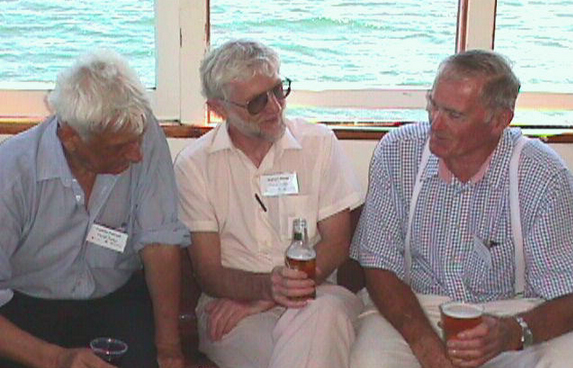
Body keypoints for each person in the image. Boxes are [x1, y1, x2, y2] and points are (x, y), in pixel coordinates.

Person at [349, 49, 573, 368]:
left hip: (511, 312)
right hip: (414, 307)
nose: (435, 124)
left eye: (454, 115)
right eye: (433, 105)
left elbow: (566, 293)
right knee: (371, 362)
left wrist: (512, 332)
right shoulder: (397, 152)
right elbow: (378, 265)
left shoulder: (542, 174)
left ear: (499, 121)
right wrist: (425, 344)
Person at [174, 39, 364, 368]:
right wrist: (264, 290)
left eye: (278, 90)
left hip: (317, 296)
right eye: (257, 102)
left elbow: (337, 243)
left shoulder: (318, 144)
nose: (275, 108)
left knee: (324, 315)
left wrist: (272, 296)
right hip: (231, 307)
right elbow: (208, 272)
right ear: (218, 108)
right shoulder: (194, 165)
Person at [0, 50, 190, 368]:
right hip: (26, 308)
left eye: (138, 140)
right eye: (119, 147)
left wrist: (169, 348)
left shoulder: (139, 134)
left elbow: (160, 243)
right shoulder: (12, 173)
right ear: (71, 137)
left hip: (115, 301)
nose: (137, 155)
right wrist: (57, 359)